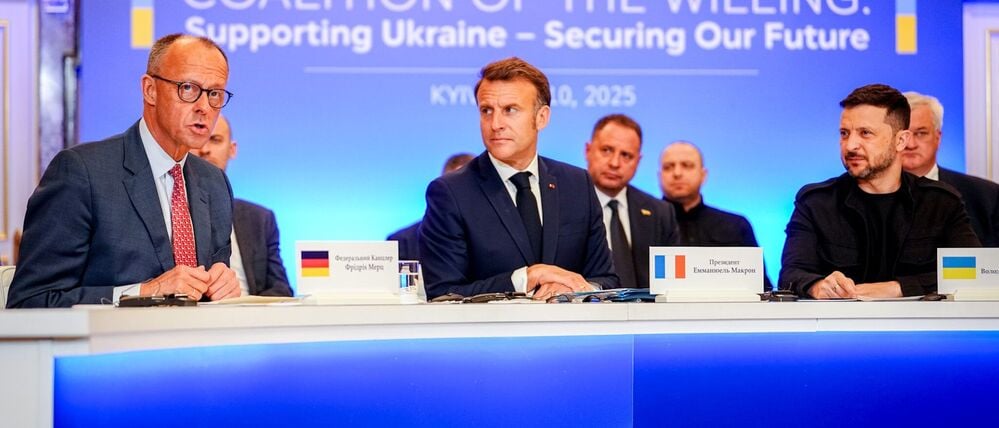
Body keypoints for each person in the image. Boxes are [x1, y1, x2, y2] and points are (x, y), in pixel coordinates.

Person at [7, 34, 239, 308]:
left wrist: (222, 285)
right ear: (150, 89)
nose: (203, 107)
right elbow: (30, 301)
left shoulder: (215, 183)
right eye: (188, 88)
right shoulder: (81, 172)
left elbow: (204, 294)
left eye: (214, 93)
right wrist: (140, 293)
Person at [420, 57, 618, 300]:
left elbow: (606, 280)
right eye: (486, 111)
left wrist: (575, 289)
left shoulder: (577, 184)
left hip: (571, 334)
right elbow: (443, 293)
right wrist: (525, 278)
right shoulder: (451, 193)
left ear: (541, 118)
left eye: (510, 110)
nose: (495, 124)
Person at [779, 84, 980, 299]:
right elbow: (791, 274)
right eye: (845, 134)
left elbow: (973, 273)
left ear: (900, 140)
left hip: (923, 330)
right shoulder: (815, 202)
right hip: (839, 330)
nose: (850, 145)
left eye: (865, 133)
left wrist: (897, 288)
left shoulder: (941, 203)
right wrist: (816, 285)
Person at [191, 114, 293, 296]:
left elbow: (282, 290)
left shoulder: (260, 219)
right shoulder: (167, 211)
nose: (205, 149)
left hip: (251, 319)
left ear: (232, 149)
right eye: (198, 140)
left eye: (215, 140)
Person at [659, 141, 773, 290]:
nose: (677, 173)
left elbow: (762, 287)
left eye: (687, 165)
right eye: (668, 167)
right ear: (659, 176)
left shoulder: (736, 226)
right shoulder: (643, 224)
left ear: (703, 175)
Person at [584, 114, 678, 288]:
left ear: (638, 161)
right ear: (588, 150)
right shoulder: (563, 203)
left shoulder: (661, 213)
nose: (614, 163)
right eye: (606, 150)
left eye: (626, 155)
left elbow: (673, 282)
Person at [902, 91, 999, 246]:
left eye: (921, 133)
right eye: (903, 136)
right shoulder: (863, 194)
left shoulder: (986, 197)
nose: (910, 144)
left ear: (938, 138)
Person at [387, 153, 473, 261]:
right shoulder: (403, 243)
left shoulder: (497, 238)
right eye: (455, 188)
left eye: (468, 188)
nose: (461, 195)